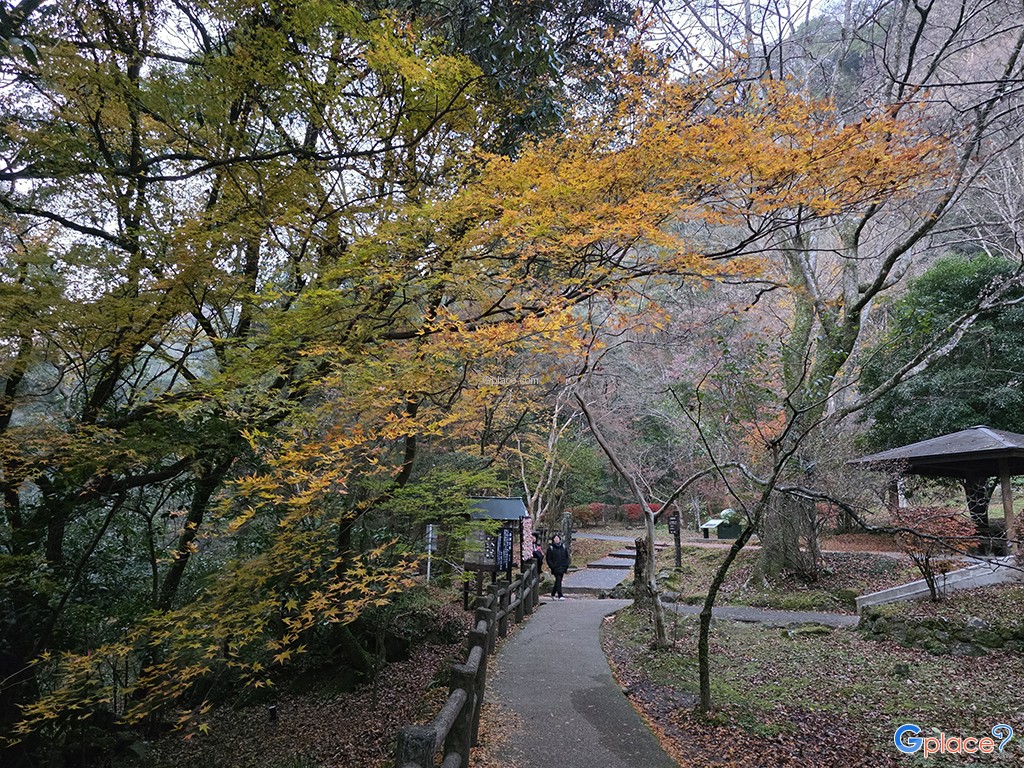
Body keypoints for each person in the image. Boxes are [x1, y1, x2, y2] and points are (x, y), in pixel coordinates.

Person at [545, 534, 570, 600]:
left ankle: (553, 593)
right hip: (555, 567)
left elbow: (567, 557)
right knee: (558, 579)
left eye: (557, 538)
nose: (556, 539)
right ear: (553, 540)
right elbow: (548, 558)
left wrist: (566, 565)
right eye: (555, 538)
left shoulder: (563, 547)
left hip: (562, 566)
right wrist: (552, 566)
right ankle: (560, 595)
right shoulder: (551, 548)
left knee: (558, 581)